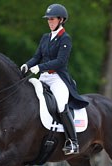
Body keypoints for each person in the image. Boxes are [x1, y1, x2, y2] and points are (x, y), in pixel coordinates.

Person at [20, 4, 88, 155]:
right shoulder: (45, 38)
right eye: (48, 19)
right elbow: (37, 57)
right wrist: (27, 65)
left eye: (52, 19)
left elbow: (60, 62)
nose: (49, 22)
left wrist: (39, 67)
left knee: (60, 104)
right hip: (43, 77)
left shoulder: (65, 38)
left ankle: (73, 142)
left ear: (61, 20)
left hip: (58, 78)